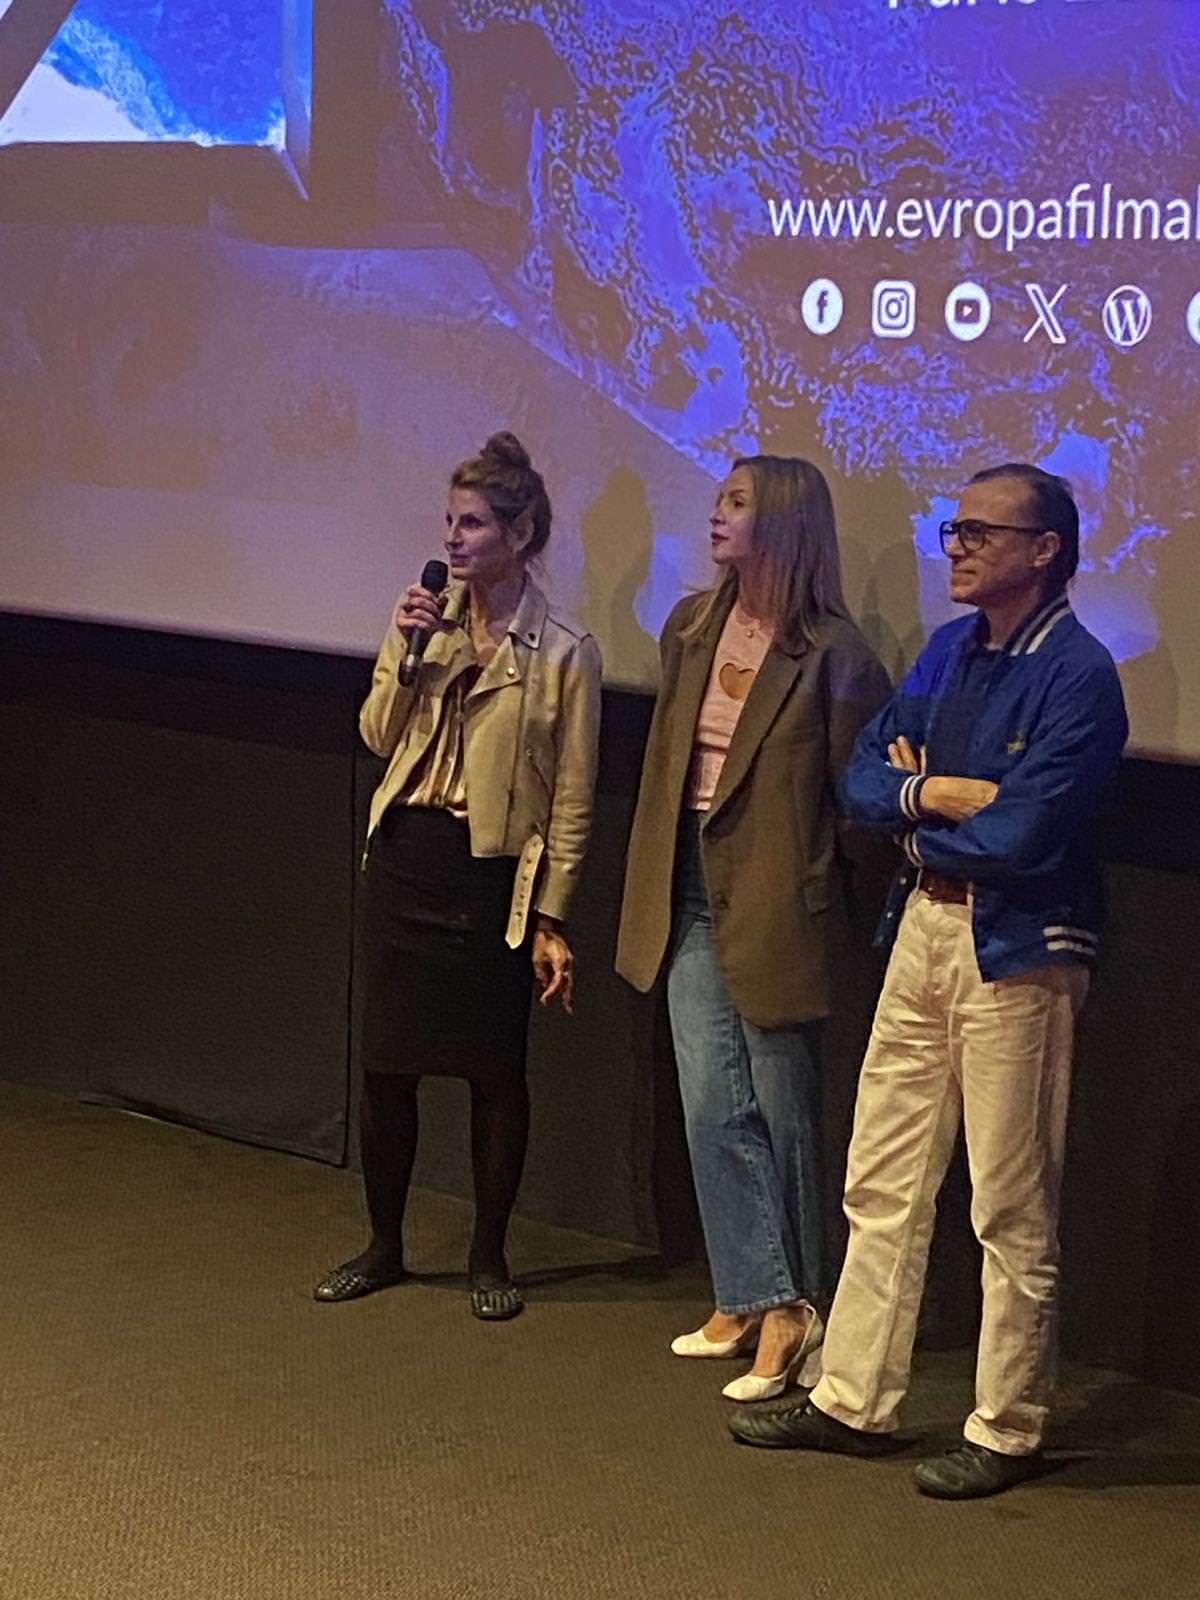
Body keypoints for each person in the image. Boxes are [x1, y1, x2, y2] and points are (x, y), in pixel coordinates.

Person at [728, 464, 1129, 1496]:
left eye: (981, 532)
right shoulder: (950, 649)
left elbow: (1024, 834)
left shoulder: (1080, 675)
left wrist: (919, 811)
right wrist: (933, 793)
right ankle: (852, 1398)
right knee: (882, 1172)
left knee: (1009, 1200)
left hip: (1018, 948)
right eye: (955, 530)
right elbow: (863, 779)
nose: (958, 547)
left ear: (1044, 549)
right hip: (921, 927)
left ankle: (1007, 1426)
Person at [616, 455, 890, 1401]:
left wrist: (815, 880)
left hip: (780, 895)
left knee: (785, 1109)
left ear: (784, 522)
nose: (717, 514)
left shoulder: (839, 656)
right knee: (709, 1103)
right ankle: (749, 1292)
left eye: (737, 502)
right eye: (719, 499)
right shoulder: (691, 626)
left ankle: (798, 1305)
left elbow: (861, 810)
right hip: (687, 883)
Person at [314, 433, 602, 1321]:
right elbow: (376, 734)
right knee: (386, 1067)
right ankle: (383, 1245)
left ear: (521, 534)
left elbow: (573, 800)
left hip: (489, 878)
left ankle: (488, 1256)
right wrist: (409, 650)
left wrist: (552, 916)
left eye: (472, 523)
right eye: (449, 521)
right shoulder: (421, 620)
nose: (453, 538)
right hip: (406, 858)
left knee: (493, 1072)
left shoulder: (564, 650)